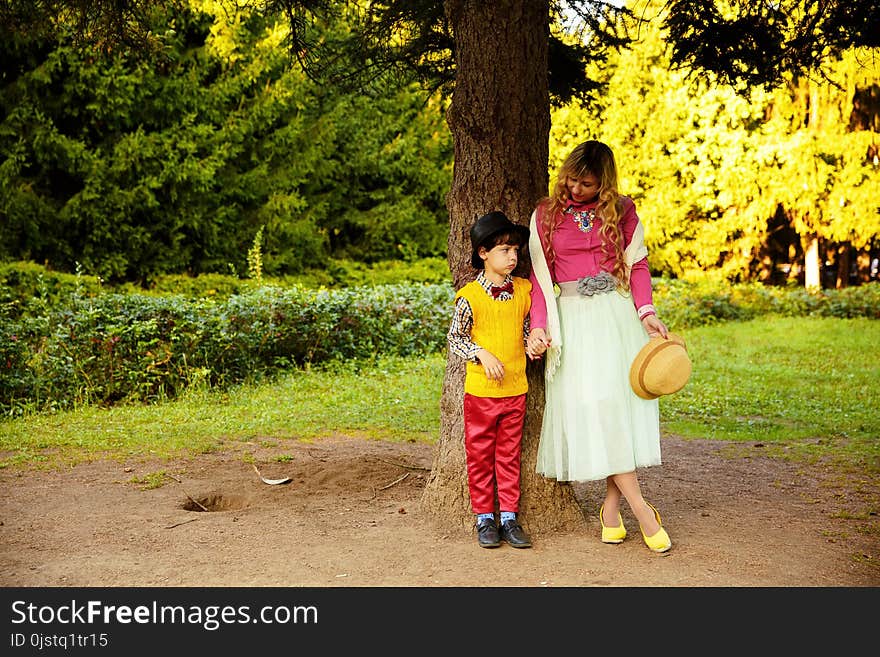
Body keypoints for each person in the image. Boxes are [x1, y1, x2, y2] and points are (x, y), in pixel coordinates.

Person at [525, 140, 673, 553]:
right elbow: (539, 280)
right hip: (573, 320)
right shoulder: (546, 215)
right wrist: (539, 327)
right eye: (571, 179)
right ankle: (642, 510)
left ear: (603, 183)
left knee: (618, 408)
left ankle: (612, 510)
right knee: (596, 406)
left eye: (586, 183)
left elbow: (637, 264)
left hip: (617, 315)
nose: (575, 188)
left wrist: (646, 312)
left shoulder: (624, 209)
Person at [447, 211, 545, 549]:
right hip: (481, 393)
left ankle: (509, 517)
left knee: (508, 455)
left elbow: (524, 331)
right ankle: (484, 518)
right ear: (483, 254)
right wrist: (481, 353)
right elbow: (455, 337)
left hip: (516, 389)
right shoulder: (469, 296)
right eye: (504, 250)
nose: (513, 257)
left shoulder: (523, 290)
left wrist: (532, 344)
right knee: (479, 454)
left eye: (516, 250)